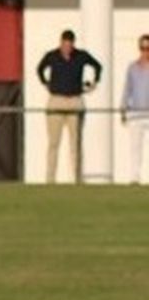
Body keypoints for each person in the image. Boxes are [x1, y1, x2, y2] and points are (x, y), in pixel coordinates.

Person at [37, 29, 103, 184]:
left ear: (73, 44)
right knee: (53, 142)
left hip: (75, 100)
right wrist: (46, 83)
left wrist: (94, 83)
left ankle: (77, 179)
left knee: (76, 143)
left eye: (69, 45)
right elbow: (40, 69)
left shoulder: (81, 56)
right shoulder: (52, 56)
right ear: (60, 43)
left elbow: (98, 66)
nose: (67, 48)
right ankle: (50, 180)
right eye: (64, 44)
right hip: (57, 100)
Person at [122, 34, 149, 184]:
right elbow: (127, 89)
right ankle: (135, 177)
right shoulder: (132, 68)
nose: (145, 52)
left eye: (148, 48)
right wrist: (123, 108)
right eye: (143, 48)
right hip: (136, 112)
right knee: (135, 147)